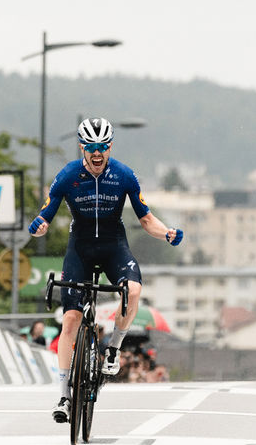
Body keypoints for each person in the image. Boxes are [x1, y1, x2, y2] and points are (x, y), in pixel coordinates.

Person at [29, 117, 184, 423]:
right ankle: (63, 395)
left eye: (102, 147)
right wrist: (39, 227)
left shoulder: (124, 175)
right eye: (91, 148)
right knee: (71, 320)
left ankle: (112, 349)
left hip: (114, 246)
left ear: (110, 146)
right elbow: (45, 215)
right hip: (80, 250)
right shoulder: (68, 175)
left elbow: (146, 218)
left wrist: (166, 232)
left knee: (134, 290)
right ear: (82, 148)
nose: (97, 154)